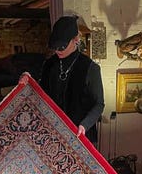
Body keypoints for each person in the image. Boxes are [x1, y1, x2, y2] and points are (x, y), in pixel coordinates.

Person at [21, 15, 104, 146]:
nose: (57, 51)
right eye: (55, 47)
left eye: (62, 47)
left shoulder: (90, 68)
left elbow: (99, 104)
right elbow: (39, 93)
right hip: (52, 134)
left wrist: (85, 124)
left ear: (76, 40)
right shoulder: (49, 64)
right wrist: (27, 79)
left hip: (80, 134)